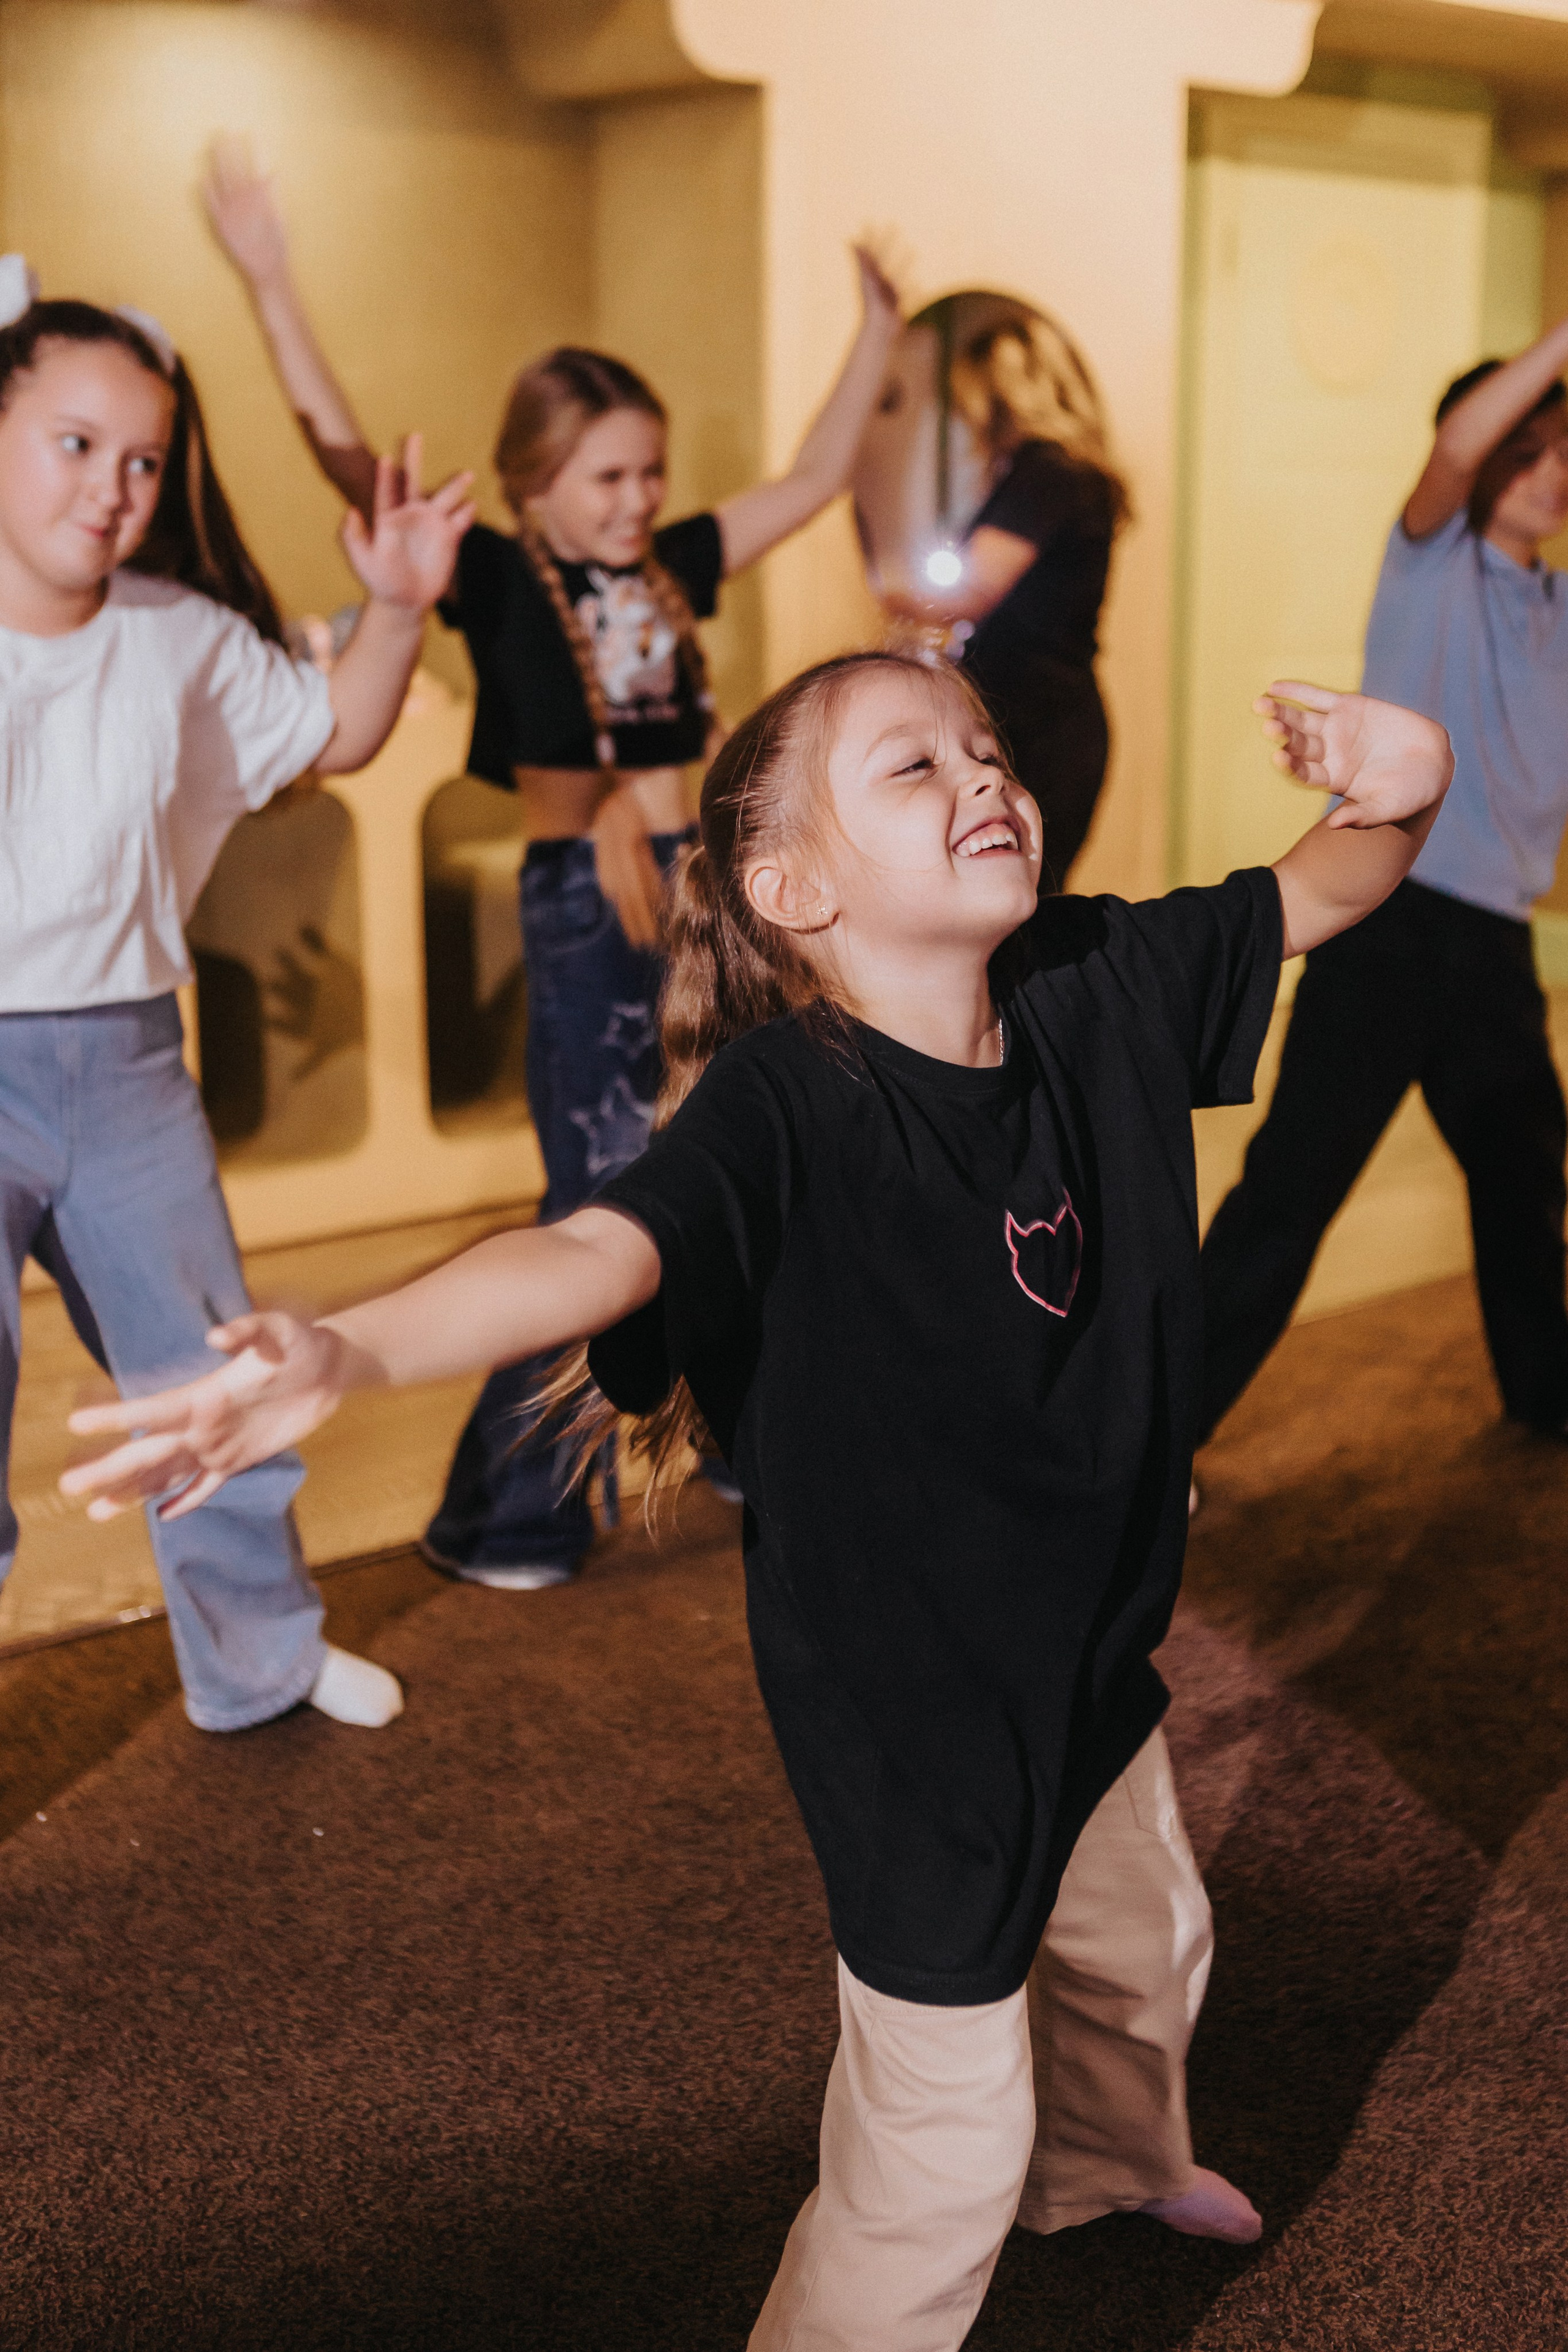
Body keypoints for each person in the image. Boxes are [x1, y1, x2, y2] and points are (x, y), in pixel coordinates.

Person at [61, 648, 1450, 2343]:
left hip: (1086, 1643)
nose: (983, 778)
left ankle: (1102, 2165)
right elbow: (588, 1251)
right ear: (794, 889)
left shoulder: (1103, 971)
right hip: (912, 1708)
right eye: (913, 772)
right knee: (941, 2140)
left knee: (1144, 1945)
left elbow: (1335, 875)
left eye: (984, 750)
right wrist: (343, 1352)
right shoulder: (785, 1108)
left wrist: (1411, 767)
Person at [202, 140, 903, 1593]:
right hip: (586, 910)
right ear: (534, 477)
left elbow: (816, 475)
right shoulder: (500, 576)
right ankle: (500, 1507)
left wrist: (879, 330)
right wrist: (269, 276)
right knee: (601, 1198)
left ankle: (720, 1428)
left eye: (649, 470)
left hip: (700, 895)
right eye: (605, 473)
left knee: (729, 1166)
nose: (638, 495)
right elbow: (347, 453)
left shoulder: (672, 570)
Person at [0, 273, 474, 1733]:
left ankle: (257, 1657)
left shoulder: (176, 635)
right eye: (75, 444)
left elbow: (333, 726)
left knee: (216, 1373)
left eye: (142, 460)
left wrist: (397, 602)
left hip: (130, 1057)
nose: (114, 489)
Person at [1198, 325, 1568, 1455]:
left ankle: (1544, 1392)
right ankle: (1148, 1434)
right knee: (1293, 1193)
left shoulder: (1555, 605)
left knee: (1523, 1170)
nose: (1551, 471)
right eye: (1529, 450)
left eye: (1564, 451)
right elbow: (1456, 448)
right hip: (1391, 922)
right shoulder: (1429, 561)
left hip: (1493, 932)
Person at [875, 309, 1128, 885]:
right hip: (1047, 716)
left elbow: (969, 592)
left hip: (1043, 728)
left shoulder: (1048, 474)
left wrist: (888, 588)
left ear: (998, 393)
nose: (966, 415)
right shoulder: (1053, 474)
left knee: (1021, 905)